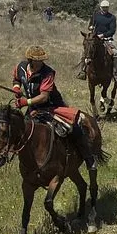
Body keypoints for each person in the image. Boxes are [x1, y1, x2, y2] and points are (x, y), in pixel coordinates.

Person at [12, 45, 96, 174]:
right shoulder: (21, 67)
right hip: (33, 108)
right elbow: (16, 79)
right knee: (20, 130)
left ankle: (88, 158)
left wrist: (25, 101)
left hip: (52, 107)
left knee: (71, 127)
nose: (40, 63)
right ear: (30, 60)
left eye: (41, 60)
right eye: (37, 61)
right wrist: (16, 88)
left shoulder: (47, 73)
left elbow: (44, 97)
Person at [83, 0, 117, 82]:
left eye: (106, 7)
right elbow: (90, 25)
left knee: (116, 52)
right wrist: (90, 27)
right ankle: (83, 71)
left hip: (107, 39)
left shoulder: (112, 17)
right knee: (87, 51)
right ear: (100, 7)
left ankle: (115, 73)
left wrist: (103, 35)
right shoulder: (95, 16)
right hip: (95, 38)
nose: (105, 9)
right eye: (103, 7)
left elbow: (112, 30)